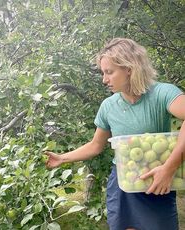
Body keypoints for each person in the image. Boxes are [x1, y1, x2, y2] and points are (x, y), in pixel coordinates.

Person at [45, 38, 185, 230]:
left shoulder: (162, 93)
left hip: (156, 180)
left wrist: (169, 168)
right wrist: (62, 158)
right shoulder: (108, 106)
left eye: (109, 72)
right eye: (103, 73)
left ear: (129, 68)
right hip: (123, 182)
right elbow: (96, 145)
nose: (104, 79)